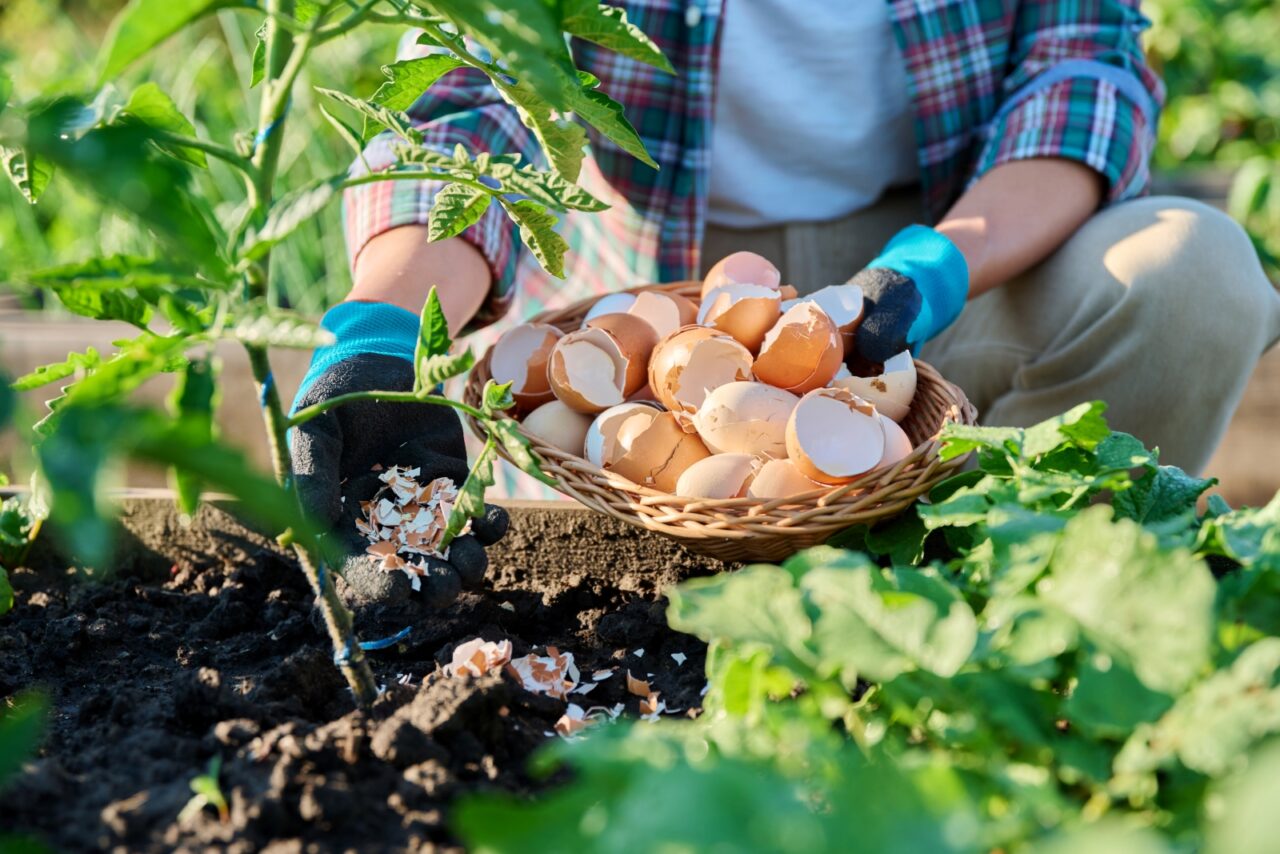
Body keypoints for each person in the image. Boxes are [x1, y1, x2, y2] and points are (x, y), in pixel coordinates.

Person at [290, 1, 1280, 606]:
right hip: (654, 299)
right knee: (646, 517)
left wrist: (932, 266)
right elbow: (478, 102)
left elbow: (1082, 64)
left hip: (951, 252)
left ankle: (1011, 612)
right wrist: (385, 323)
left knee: (1190, 275)